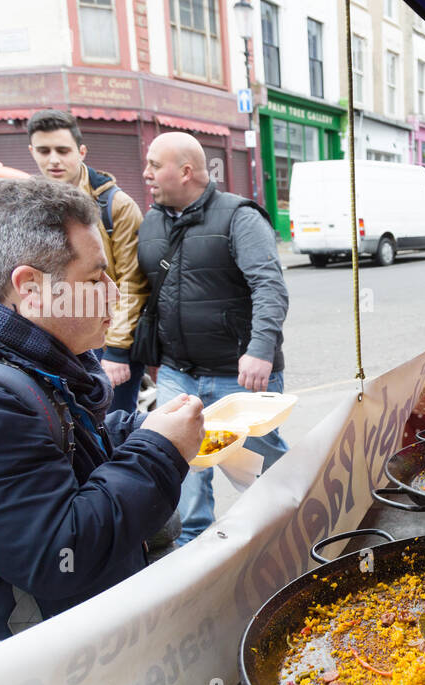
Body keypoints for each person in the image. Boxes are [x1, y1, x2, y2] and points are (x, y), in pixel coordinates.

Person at [0, 177, 201, 669]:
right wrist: (157, 452)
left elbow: (57, 455)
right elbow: (60, 554)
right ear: (29, 287)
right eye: (94, 280)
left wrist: (136, 433)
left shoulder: (24, 358)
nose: (114, 295)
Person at [138, 131, 289, 545]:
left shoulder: (239, 216)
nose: (145, 172)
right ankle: (192, 543)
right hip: (177, 373)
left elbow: (269, 286)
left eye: (154, 164)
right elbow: (141, 292)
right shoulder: (150, 223)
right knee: (180, 459)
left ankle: (296, 517)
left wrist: (259, 350)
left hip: (236, 376)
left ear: (185, 171)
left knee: (260, 464)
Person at [26, 109, 149, 413]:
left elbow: (133, 283)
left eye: (62, 150)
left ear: (80, 151)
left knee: (112, 428)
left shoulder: (115, 205)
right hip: (51, 340)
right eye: (44, 151)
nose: (53, 159)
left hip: (104, 340)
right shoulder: (26, 205)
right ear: (31, 152)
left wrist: (118, 350)